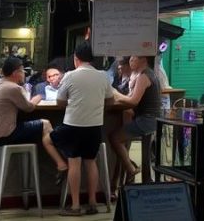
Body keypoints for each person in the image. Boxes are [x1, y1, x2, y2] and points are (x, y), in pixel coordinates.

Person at [50, 41, 114, 216]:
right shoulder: (103, 76)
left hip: (73, 125)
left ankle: (76, 205)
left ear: (76, 59)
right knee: (90, 162)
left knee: (74, 163)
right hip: (94, 126)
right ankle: (93, 202)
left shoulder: (70, 76)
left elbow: (60, 102)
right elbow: (111, 101)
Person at [0, 57, 68, 183]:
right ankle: (62, 162)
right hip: (6, 135)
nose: (25, 73)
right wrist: (38, 97)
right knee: (45, 124)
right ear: (15, 73)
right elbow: (28, 107)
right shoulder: (12, 88)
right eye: (22, 70)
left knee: (40, 127)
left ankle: (61, 163)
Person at [109, 55, 162, 189]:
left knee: (115, 138)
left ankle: (130, 168)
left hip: (147, 120)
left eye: (134, 58)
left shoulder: (144, 76)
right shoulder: (148, 74)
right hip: (151, 119)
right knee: (142, 156)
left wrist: (115, 94)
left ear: (143, 59)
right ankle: (143, 179)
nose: (131, 60)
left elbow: (133, 101)